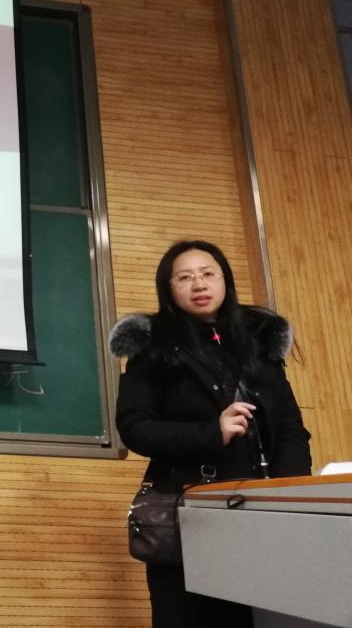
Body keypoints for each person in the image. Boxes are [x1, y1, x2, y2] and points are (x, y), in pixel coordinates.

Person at [110, 240, 311, 628]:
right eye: (184, 277)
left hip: (260, 517)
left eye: (207, 273)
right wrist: (211, 433)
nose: (199, 284)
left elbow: (290, 430)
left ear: (225, 280)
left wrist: (291, 499)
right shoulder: (152, 346)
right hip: (187, 515)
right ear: (168, 289)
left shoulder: (258, 340)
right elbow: (134, 427)